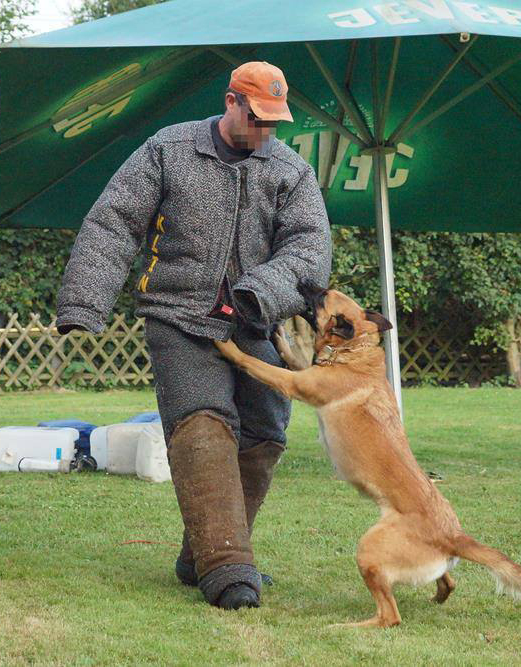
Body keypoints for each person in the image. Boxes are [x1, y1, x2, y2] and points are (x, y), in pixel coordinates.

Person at [57, 62, 332, 610]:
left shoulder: (289, 170)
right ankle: (229, 568)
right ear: (231, 102)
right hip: (177, 315)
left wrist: (261, 292)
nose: (264, 133)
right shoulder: (169, 149)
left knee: (265, 431)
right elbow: (114, 222)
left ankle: (202, 552)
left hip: (253, 319)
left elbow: (310, 247)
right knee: (202, 424)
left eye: (273, 123)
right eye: (256, 119)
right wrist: (85, 304)